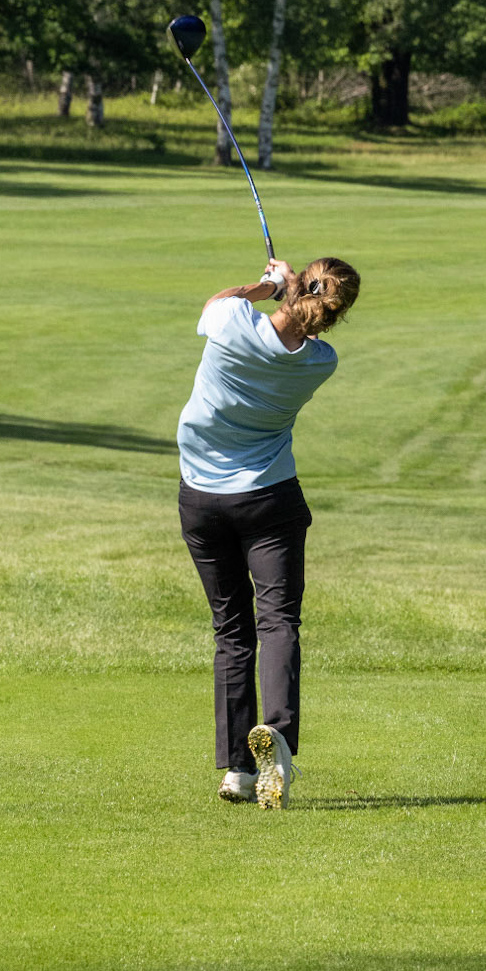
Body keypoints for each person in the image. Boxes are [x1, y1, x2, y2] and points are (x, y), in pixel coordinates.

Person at [177, 253, 361, 810]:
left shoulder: (234, 321)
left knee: (232, 630)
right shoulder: (321, 361)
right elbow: (292, 330)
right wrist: (289, 290)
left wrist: (266, 284)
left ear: (300, 285)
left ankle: (236, 768)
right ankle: (276, 737)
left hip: (203, 500)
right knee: (278, 621)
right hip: (271, 499)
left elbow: (215, 304)